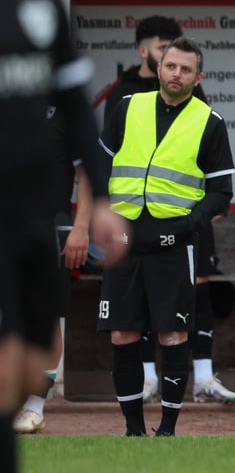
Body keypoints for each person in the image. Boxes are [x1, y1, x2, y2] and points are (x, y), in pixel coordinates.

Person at [0, 0, 127, 470]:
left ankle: (29, 402)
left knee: (23, 358)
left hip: (31, 215)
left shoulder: (41, 2)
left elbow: (79, 114)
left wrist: (97, 204)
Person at [97, 37, 234, 436]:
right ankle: (134, 431)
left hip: (174, 241)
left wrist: (188, 225)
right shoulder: (127, 107)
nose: (176, 74)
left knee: (173, 333)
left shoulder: (210, 122)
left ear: (198, 77)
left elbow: (222, 192)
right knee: (123, 333)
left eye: (186, 69)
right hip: (123, 239)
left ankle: (168, 430)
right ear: (159, 68)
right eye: (171, 66)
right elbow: (101, 165)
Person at [13, 106, 95, 434]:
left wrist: (82, 227)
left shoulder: (66, 111)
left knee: (45, 318)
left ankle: (34, 407)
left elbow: (86, 174)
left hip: (49, 225)